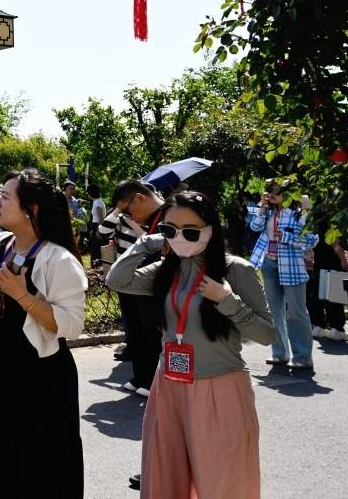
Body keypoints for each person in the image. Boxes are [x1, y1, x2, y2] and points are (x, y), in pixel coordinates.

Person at [107, 191, 275, 499]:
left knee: (221, 484)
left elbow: (266, 334)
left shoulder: (236, 269)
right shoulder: (166, 270)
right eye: (170, 230)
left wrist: (227, 301)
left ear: (211, 229)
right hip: (168, 387)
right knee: (165, 478)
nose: (180, 238)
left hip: (220, 390)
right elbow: (117, 280)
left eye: (191, 231)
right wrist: (145, 243)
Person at [0, 169, 87, 499]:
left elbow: (72, 325)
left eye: (6, 197)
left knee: (36, 464)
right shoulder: (1, 243)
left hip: (37, 378)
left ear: (31, 209)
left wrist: (23, 295)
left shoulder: (57, 259)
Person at [103, 180, 164, 396]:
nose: (129, 217)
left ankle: (153, 382)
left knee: (152, 335)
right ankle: (143, 378)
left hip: (159, 289)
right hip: (141, 284)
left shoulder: (172, 214)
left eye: (128, 211)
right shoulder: (157, 217)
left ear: (139, 198)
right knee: (138, 331)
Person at [248, 184, 319, 371]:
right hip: (269, 263)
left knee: (296, 311)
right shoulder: (268, 212)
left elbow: (312, 239)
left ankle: (303, 357)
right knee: (274, 311)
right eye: (269, 190)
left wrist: (286, 237)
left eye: (276, 191)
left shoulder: (299, 213)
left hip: (291, 265)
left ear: (288, 194)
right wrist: (262, 208)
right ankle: (279, 353)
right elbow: (254, 227)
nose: (271, 194)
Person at [307, 215, 348, 341]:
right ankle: (337, 329)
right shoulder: (332, 225)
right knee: (334, 296)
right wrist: (344, 261)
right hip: (331, 263)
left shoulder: (312, 225)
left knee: (317, 295)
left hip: (317, 264)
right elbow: (336, 245)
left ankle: (318, 326)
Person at [87, 183, 105, 267]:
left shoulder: (97, 203)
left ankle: (96, 266)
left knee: (96, 248)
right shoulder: (97, 201)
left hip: (97, 226)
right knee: (94, 248)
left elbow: (100, 218)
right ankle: (95, 266)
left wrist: (99, 231)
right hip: (95, 226)